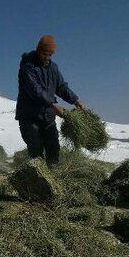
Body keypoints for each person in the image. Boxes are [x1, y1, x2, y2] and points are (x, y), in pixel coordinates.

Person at [15, 35, 85, 166]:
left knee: (53, 149)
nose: (46, 57)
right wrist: (53, 105)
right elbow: (36, 91)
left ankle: (53, 178)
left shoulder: (53, 68)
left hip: (47, 117)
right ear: (38, 50)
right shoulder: (27, 67)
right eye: (43, 53)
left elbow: (61, 87)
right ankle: (37, 182)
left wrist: (75, 100)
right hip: (30, 117)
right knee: (36, 152)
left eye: (49, 54)